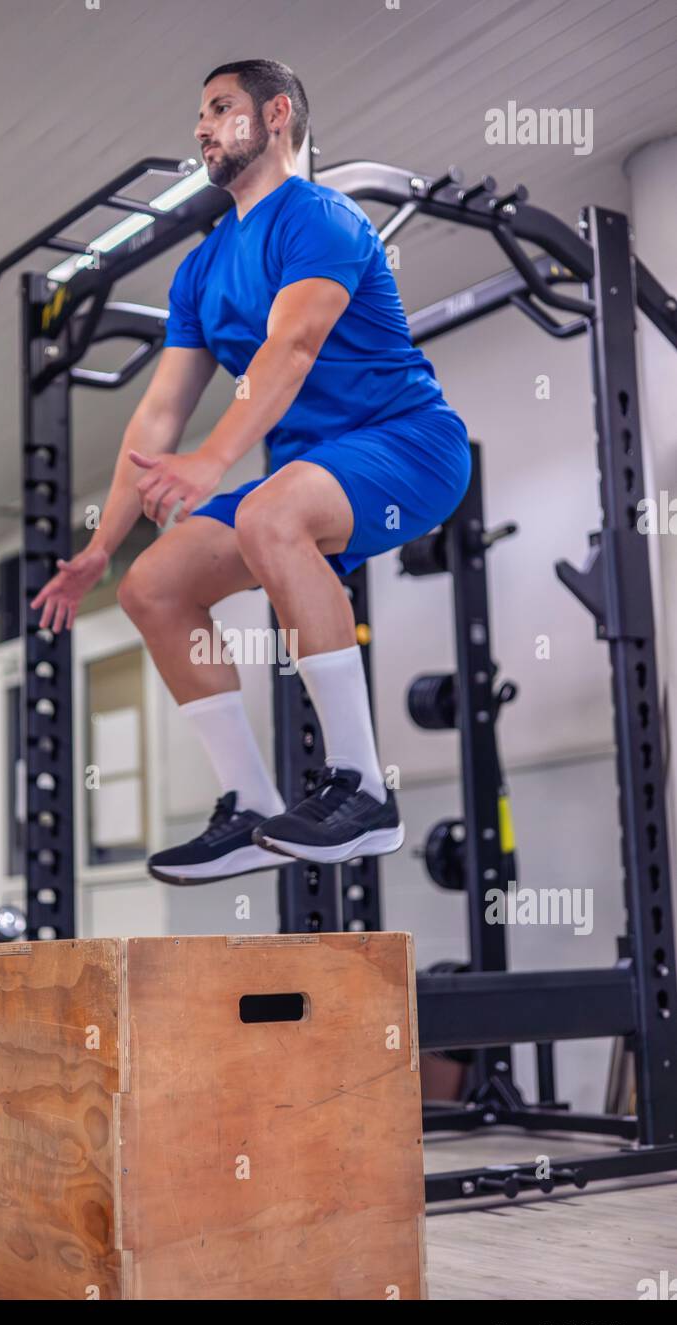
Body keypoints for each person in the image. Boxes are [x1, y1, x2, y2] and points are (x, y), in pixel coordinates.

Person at [32, 58, 471, 886]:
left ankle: (363, 789)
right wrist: (101, 547)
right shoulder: (200, 268)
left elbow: (292, 348)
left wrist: (209, 462)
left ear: (274, 116)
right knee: (151, 586)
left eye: (218, 108)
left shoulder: (321, 218)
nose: (201, 126)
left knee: (271, 513)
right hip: (309, 472)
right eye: (197, 113)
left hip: (410, 444)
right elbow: (158, 415)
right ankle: (251, 805)